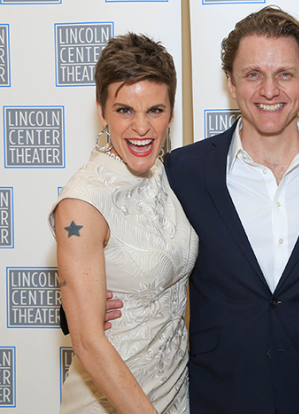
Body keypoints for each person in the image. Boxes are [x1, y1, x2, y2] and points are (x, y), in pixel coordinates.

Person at [101, 6, 299, 413]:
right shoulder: (183, 171)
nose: (269, 90)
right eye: (253, 74)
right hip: (218, 393)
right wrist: (86, 305)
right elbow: (130, 248)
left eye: (285, 74)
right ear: (230, 82)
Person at [49, 33, 197, 413]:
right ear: (101, 110)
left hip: (174, 392)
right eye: (124, 110)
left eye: (155, 110)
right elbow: (87, 342)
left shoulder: (165, 173)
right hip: (112, 402)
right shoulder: (81, 205)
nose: (142, 128)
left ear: (171, 111)